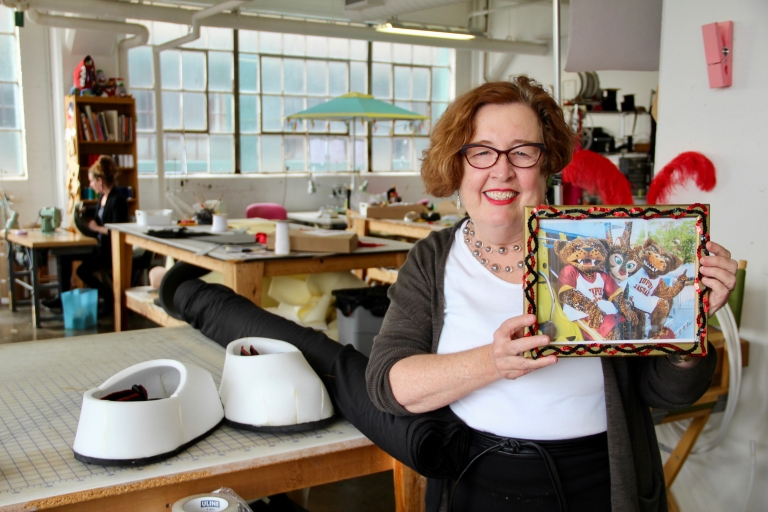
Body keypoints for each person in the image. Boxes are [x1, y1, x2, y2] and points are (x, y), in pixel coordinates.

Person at [364, 77, 739, 512]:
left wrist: (687, 322)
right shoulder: (433, 260)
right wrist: (493, 361)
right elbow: (388, 384)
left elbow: (669, 394)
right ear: (458, 164)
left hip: (600, 485)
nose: (501, 171)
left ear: (546, 166)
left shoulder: (598, 247)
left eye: (522, 152)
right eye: (481, 151)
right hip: (475, 484)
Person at [45, 156, 128, 314]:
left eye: (92, 181)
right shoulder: (102, 197)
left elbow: (118, 230)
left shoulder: (118, 200)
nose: (90, 185)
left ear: (100, 180)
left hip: (111, 250)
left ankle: (109, 297)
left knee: (82, 271)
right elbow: (101, 213)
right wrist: (86, 211)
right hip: (99, 246)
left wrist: (97, 228)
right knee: (64, 257)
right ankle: (63, 298)